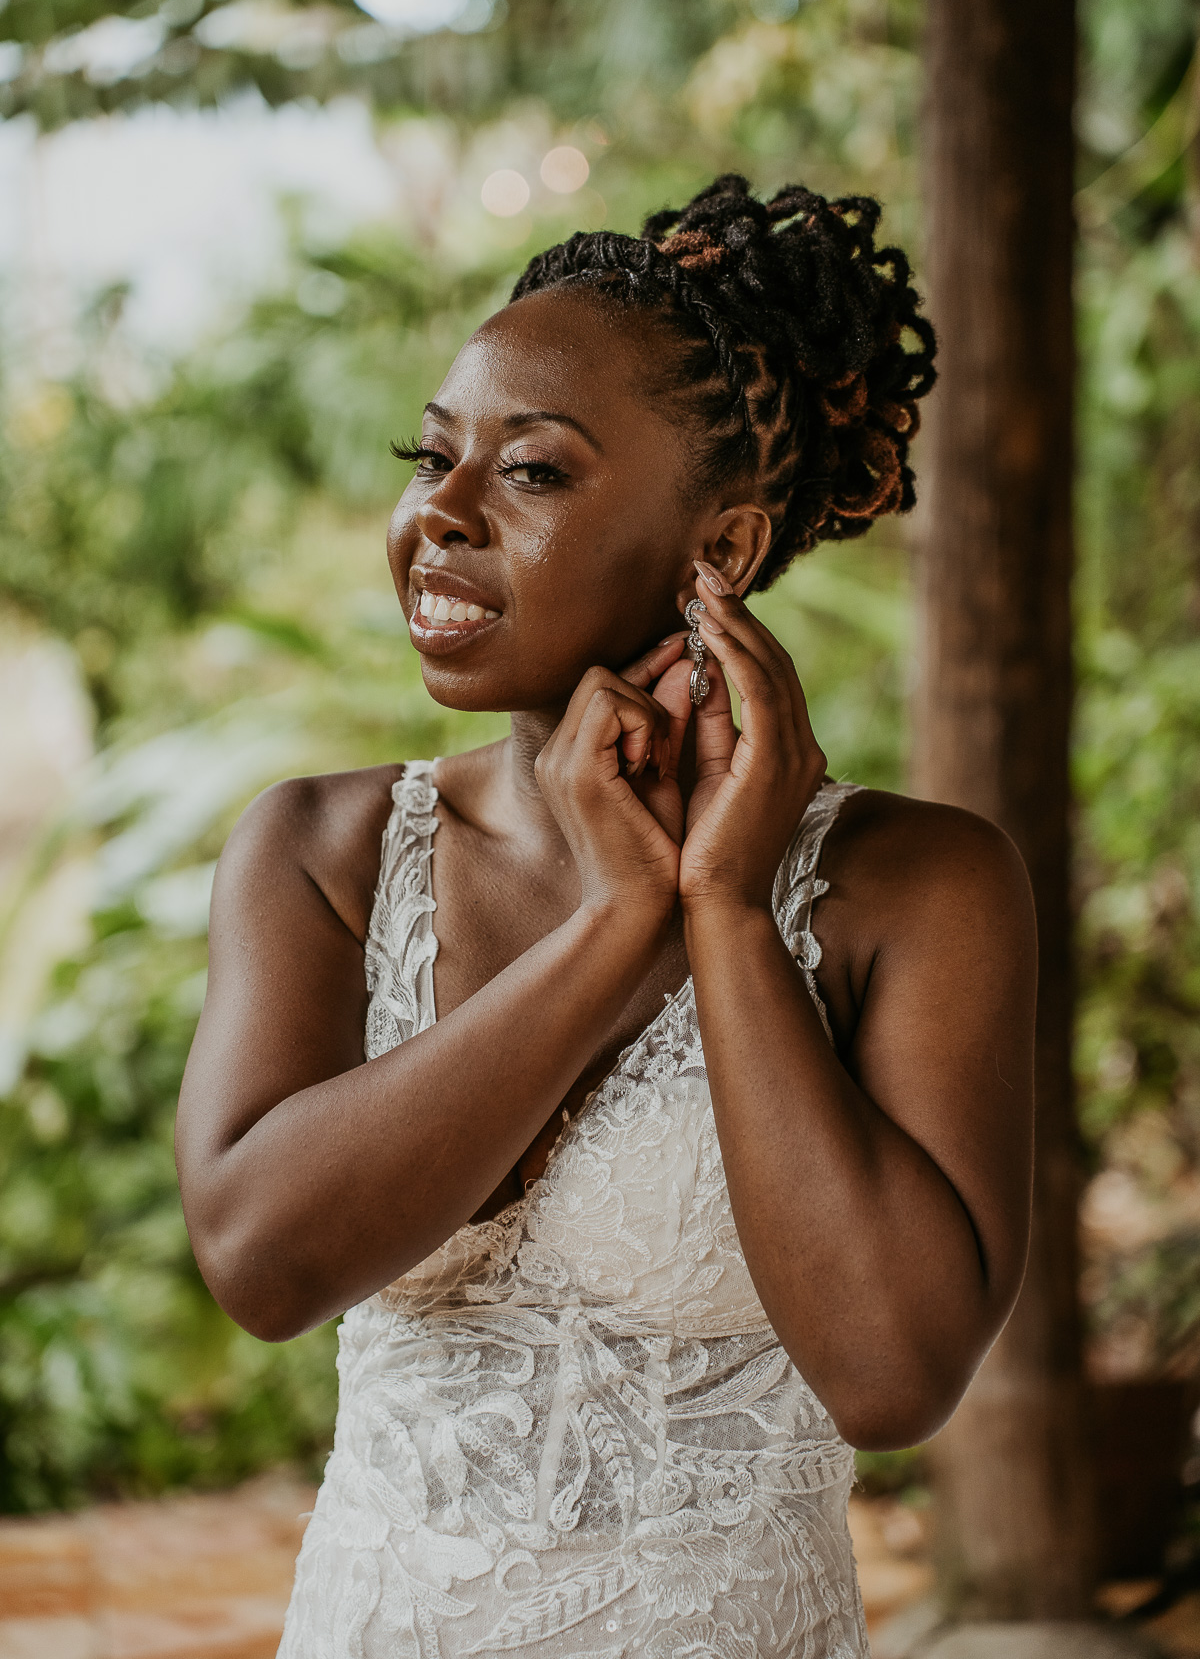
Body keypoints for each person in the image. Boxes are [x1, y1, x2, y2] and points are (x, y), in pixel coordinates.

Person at [176, 175, 1037, 1659]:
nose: (438, 516)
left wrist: (725, 911)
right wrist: (615, 925)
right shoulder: (315, 850)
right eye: (431, 457)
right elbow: (263, 1264)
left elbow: (894, 1377)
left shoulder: (923, 886)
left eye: (534, 474)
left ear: (727, 553)